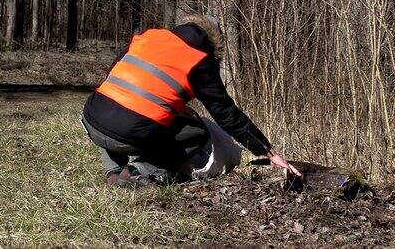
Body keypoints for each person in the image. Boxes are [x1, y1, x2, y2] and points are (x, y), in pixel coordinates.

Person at [82, 14, 301, 187]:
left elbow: (115, 80)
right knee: (197, 131)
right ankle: (139, 172)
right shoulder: (198, 59)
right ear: (213, 45)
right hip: (126, 134)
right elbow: (227, 114)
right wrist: (268, 151)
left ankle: (113, 170)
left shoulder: (146, 37)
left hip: (92, 121)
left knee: (117, 108)